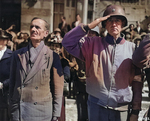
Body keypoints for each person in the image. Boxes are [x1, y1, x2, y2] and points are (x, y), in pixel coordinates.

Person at [62, 5, 143, 121]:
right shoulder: (92, 44)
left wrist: (135, 110)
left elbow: (137, 82)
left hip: (121, 108)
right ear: (104, 24)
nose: (114, 24)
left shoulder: (132, 49)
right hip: (97, 105)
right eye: (109, 21)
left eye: (117, 21)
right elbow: (67, 42)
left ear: (123, 24)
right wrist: (88, 26)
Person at [9, 17, 64, 121]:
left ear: (45, 33)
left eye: (37, 27)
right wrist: (12, 105)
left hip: (40, 112)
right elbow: (12, 83)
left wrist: (56, 114)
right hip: (19, 111)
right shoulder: (17, 54)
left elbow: (58, 89)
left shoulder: (52, 56)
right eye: (31, 27)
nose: (33, 29)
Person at [0, 30, 12, 121]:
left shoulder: (11, 56)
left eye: (3, 39)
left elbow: (14, 76)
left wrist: (3, 84)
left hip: (4, 94)